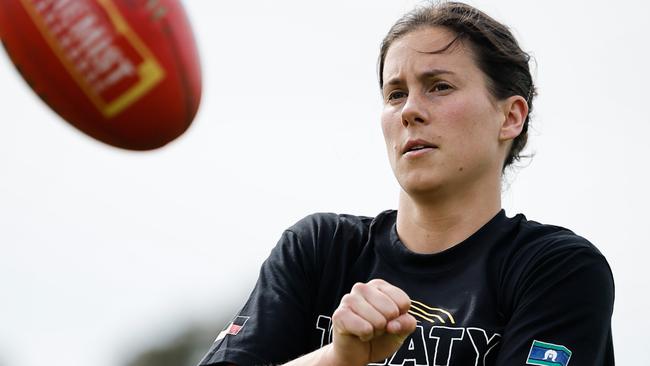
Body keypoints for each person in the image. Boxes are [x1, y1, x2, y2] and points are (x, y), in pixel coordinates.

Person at [198, 2, 615, 365]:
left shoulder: (556, 270)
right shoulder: (320, 249)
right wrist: (340, 357)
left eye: (440, 86)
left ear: (510, 117)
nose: (410, 110)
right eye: (395, 94)